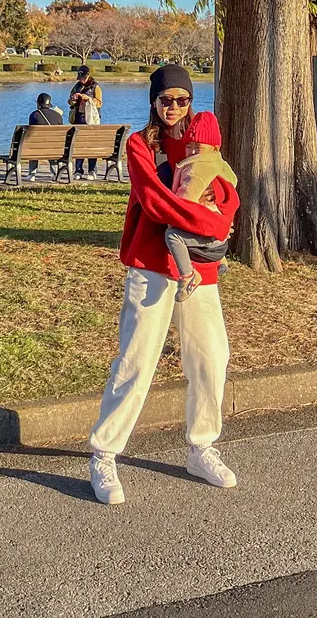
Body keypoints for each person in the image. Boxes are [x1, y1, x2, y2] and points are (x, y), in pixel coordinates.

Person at [88, 64, 239, 506]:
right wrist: (209, 219)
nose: (174, 107)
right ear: (152, 102)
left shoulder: (203, 144)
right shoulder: (140, 145)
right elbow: (153, 203)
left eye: (182, 100)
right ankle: (104, 452)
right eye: (165, 99)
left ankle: (201, 446)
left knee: (211, 357)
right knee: (136, 361)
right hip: (153, 265)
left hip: (201, 271)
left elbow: (229, 194)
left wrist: (219, 213)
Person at [163, 112, 238, 299]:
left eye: (199, 147)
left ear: (213, 148)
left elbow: (185, 201)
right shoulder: (219, 162)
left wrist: (170, 218)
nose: (194, 152)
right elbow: (234, 180)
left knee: (173, 236)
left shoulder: (197, 168)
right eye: (189, 147)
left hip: (207, 237)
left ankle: (188, 276)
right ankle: (222, 259)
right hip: (221, 238)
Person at [69, 65, 103, 179]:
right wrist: (73, 99)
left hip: (91, 119)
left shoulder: (95, 87)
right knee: (79, 144)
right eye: (79, 77)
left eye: (83, 77)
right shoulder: (77, 86)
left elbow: (99, 103)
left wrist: (87, 98)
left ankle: (92, 170)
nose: (81, 79)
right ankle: (78, 170)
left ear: (88, 75)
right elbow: (69, 102)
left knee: (91, 144)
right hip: (79, 117)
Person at [26, 91, 63, 179]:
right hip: (56, 148)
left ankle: (32, 174)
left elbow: (31, 133)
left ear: (38, 103)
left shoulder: (34, 115)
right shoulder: (58, 115)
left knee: (33, 144)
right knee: (52, 144)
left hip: (38, 147)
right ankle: (55, 173)